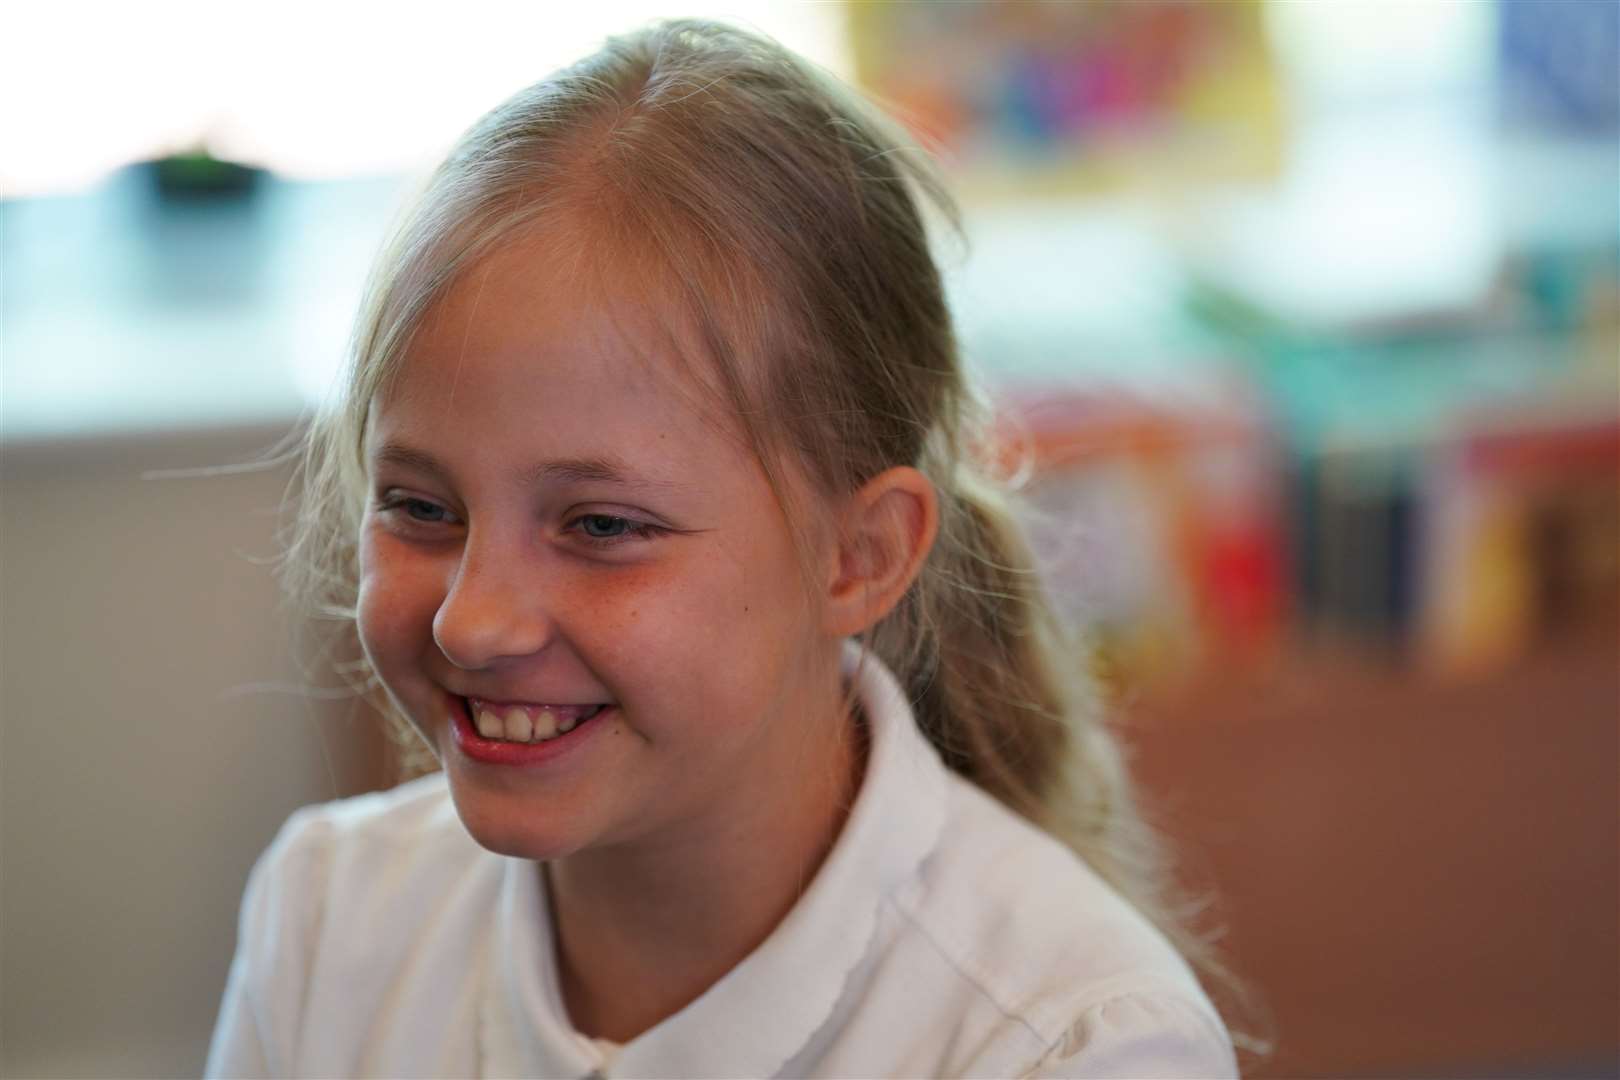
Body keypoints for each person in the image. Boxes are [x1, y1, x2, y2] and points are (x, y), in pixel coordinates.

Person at [207, 18, 1239, 1079]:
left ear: (860, 556)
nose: (473, 620)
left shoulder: (1074, 1043)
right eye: (421, 508)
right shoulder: (328, 923)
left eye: (602, 526)